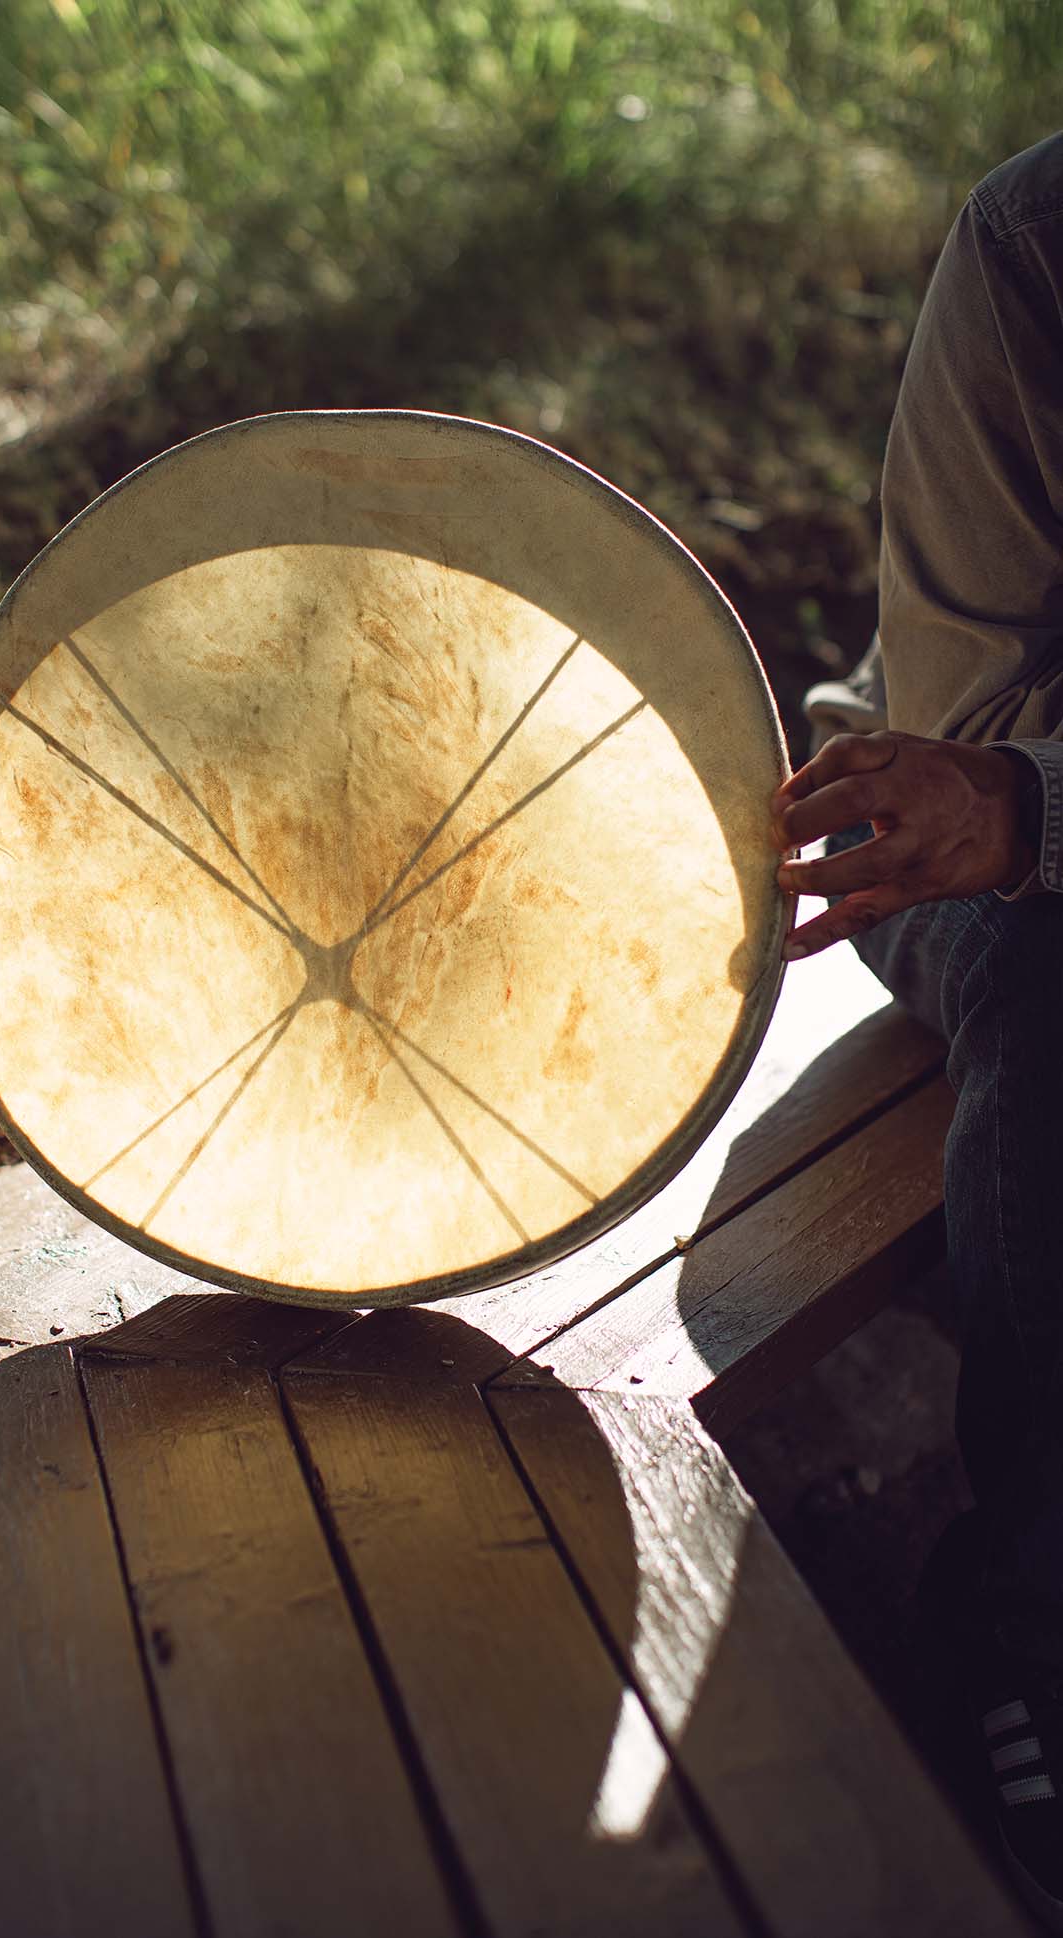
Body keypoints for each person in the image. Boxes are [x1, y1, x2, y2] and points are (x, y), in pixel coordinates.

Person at [770, 131, 1063, 1928]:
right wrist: (1027, 813)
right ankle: (1034, 1631)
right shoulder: (1034, 252)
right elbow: (981, 730)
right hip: (978, 824)